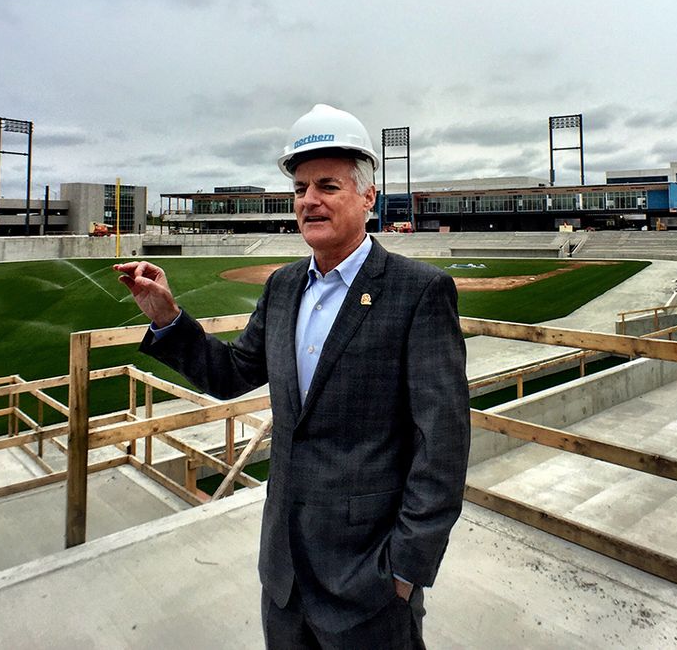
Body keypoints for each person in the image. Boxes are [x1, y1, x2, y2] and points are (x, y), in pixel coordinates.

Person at [114, 104, 470, 650]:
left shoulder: (418, 291)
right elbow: (233, 373)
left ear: (368, 196)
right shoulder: (282, 287)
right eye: (301, 188)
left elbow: (441, 443)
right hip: (283, 574)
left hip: (370, 582)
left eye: (327, 185)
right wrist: (167, 317)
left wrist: (405, 570)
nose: (310, 200)